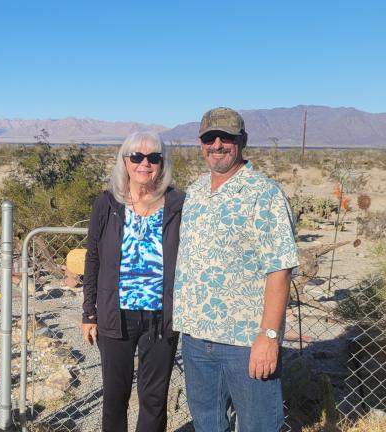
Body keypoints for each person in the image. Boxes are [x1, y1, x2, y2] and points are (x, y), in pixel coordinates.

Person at [173, 107, 299, 431]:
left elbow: (280, 270)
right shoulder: (196, 191)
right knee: (208, 424)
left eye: (226, 137)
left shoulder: (264, 194)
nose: (217, 144)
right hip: (197, 338)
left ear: (242, 140)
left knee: (259, 425)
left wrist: (269, 337)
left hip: (245, 342)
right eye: (209, 138)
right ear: (200, 144)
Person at [83, 131, 185, 431]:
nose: (145, 163)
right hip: (116, 316)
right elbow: (93, 259)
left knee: (154, 399)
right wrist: (89, 312)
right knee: (115, 397)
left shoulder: (177, 203)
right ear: (124, 161)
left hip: (160, 317)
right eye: (137, 156)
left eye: (154, 157)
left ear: (162, 163)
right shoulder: (107, 204)